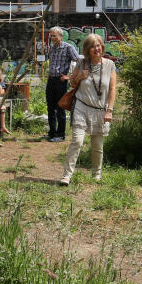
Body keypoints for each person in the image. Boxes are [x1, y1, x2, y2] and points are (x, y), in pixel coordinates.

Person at [60, 33, 117, 185]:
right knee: (77, 141)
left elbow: (112, 89)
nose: (96, 49)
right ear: (87, 49)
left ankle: (96, 174)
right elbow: (72, 83)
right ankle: (67, 175)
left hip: (100, 110)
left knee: (97, 145)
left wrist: (109, 110)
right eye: (92, 46)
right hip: (81, 106)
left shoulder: (110, 65)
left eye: (98, 45)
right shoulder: (81, 63)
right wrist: (80, 77)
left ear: (102, 46)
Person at [45, 27, 79, 142]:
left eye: (54, 36)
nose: (52, 38)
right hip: (51, 80)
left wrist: (69, 77)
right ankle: (52, 132)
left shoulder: (68, 48)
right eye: (51, 36)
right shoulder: (51, 48)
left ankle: (61, 134)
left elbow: (79, 62)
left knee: (60, 107)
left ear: (61, 36)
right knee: (50, 107)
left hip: (61, 81)